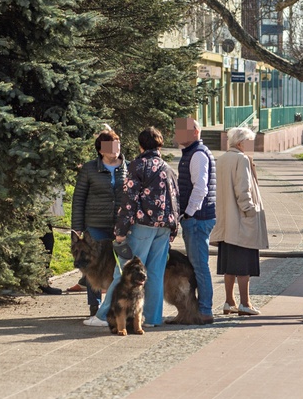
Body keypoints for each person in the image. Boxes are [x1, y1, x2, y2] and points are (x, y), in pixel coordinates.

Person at [84, 127, 179, 328]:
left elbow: (129, 201)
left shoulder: (137, 166)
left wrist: (120, 232)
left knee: (124, 271)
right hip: (164, 227)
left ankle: (104, 315)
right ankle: (152, 318)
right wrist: (173, 229)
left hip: (143, 225)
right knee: (154, 273)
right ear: (160, 145)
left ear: (140, 145)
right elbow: (176, 199)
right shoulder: (167, 168)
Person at [210, 127, 268, 316]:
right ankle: (245, 303)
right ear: (241, 143)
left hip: (227, 221)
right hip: (241, 220)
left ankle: (229, 301)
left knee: (229, 265)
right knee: (244, 266)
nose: (252, 146)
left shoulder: (223, 158)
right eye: (250, 142)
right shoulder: (241, 159)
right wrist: (250, 211)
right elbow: (243, 190)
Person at [73, 128, 127, 318]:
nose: (116, 149)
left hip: (119, 225)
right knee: (92, 264)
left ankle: (115, 303)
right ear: (101, 150)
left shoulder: (127, 167)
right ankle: (94, 305)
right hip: (95, 224)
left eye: (118, 145)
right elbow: (79, 198)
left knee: (116, 265)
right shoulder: (89, 168)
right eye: (111, 147)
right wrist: (77, 225)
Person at [175, 117, 216, 324]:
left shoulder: (198, 155)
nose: (176, 134)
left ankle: (205, 310)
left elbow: (200, 188)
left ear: (195, 133)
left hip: (198, 219)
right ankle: (198, 309)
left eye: (181, 131)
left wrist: (189, 213)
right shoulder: (192, 153)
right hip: (198, 217)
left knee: (199, 265)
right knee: (197, 264)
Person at [39, 190, 65, 295]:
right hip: (38, 198)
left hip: (43, 198)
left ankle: (41, 280)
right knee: (46, 241)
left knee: (47, 240)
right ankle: (40, 282)